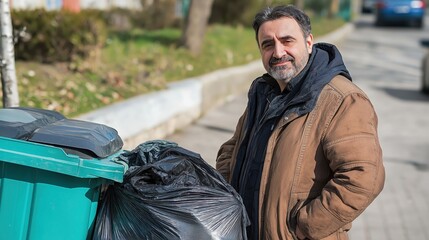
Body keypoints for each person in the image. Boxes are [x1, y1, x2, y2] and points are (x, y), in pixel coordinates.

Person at [216, 5, 385, 240]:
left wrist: (302, 228)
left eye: (287, 41)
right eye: (267, 44)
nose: (277, 52)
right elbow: (232, 148)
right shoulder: (265, 93)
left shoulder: (342, 100)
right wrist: (225, 195)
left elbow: (363, 178)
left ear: (308, 42)